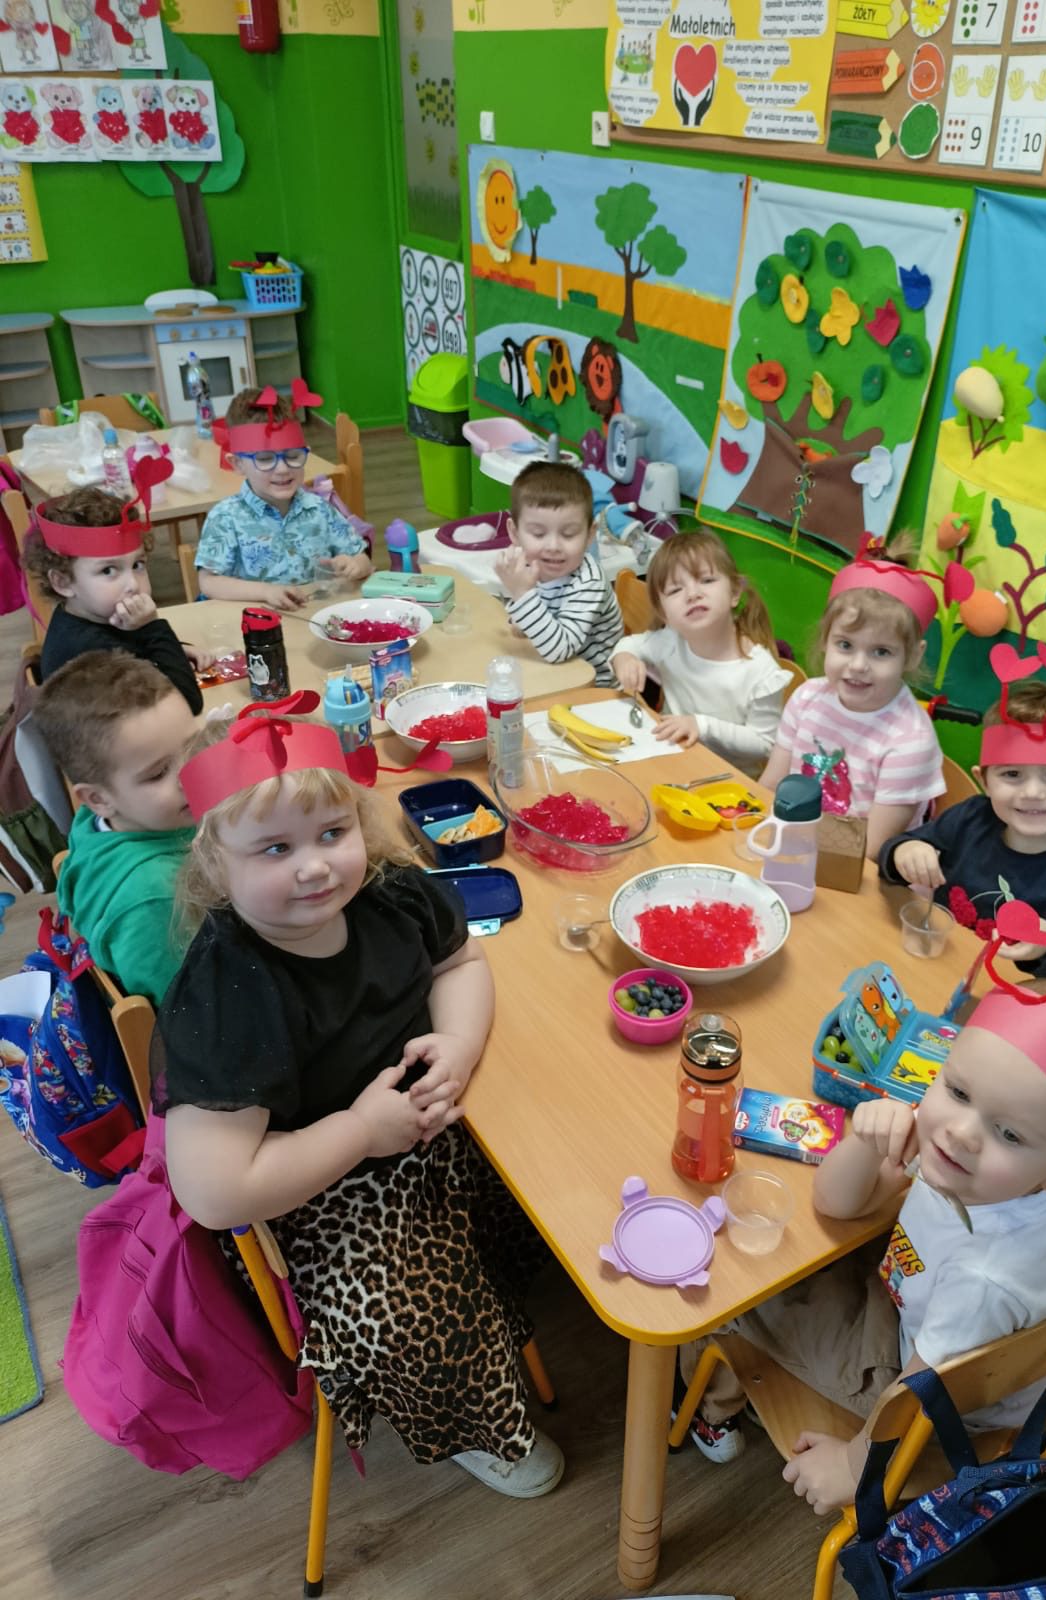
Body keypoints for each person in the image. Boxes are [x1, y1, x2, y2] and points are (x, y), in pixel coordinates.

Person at [153, 697, 563, 1497]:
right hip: (322, 1189)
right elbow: (213, 1191)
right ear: (215, 866)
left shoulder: (386, 891)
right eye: (276, 848)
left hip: (427, 1125)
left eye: (331, 833)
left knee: (553, 1168)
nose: (315, 867)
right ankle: (478, 1422)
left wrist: (459, 1044)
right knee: (418, 1313)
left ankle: (506, 1300)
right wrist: (358, 1132)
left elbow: (460, 963)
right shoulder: (232, 991)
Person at [679, 953, 1046, 1511]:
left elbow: (920, 1393)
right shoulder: (982, 1163)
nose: (960, 1132)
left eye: (1010, 1135)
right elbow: (837, 1204)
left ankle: (710, 1412)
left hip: (919, 1385)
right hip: (917, 1307)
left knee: (734, 1289)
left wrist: (854, 1468)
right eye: (959, 1091)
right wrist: (864, 1137)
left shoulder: (985, 1278)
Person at [878, 649, 1046, 994]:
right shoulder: (971, 817)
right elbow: (891, 856)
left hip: (1016, 1004)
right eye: (1012, 774)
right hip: (939, 973)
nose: (1033, 792)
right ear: (984, 780)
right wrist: (905, 852)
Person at [758, 536, 946, 859]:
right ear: (825, 640)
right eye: (845, 645)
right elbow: (770, 788)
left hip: (858, 871)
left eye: (881, 652)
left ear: (913, 655)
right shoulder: (806, 698)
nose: (858, 665)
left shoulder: (910, 740)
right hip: (792, 849)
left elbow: (870, 849)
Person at [35, 651, 197, 1005]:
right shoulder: (156, 901)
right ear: (98, 798)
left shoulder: (98, 820)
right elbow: (194, 1009)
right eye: (158, 773)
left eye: (193, 748)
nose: (190, 775)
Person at [610, 529, 792, 775]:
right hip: (671, 762)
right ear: (664, 614)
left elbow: (764, 744)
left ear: (735, 592)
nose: (693, 594)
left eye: (706, 580)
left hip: (730, 782)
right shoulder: (670, 641)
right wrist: (624, 658)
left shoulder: (761, 671)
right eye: (675, 590)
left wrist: (702, 726)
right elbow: (630, 644)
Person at [23, 485, 205, 714]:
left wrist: (169, 650)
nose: (133, 584)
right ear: (63, 582)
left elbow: (128, 645)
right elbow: (187, 705)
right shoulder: (92, 656)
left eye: (138, 565)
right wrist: (153, 629)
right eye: (108, 570)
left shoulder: (85, 615)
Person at [195, 383, 372, 611]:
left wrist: (354, 565)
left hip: (314, 616)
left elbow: (362, 558)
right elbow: (208, 582)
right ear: (237, 464)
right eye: (265, 459)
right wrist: (265, 592)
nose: (282, 469)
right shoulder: (225, 518)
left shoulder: (320, 509)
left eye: (293, 456)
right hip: (256, 622)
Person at [495, 461, 623, 688]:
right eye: (538, 533)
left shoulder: (589, 582)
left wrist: (521, 594)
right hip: (549, 675)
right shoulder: (531, 564)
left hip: (593, 690)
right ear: (515, 532)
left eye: (569, 534)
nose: (553, 546)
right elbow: (523, 625)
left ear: (589, 534)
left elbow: (559, 650)